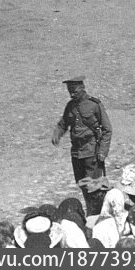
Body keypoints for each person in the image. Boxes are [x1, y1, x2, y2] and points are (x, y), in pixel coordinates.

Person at [51, 76, 112, 211]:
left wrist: (102, 151)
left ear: (82, 88)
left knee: (94, 187)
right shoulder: (70, 106)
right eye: (70, 92)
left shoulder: (94, 105)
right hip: (76, 153)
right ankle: (90, 210)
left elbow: (107, 129)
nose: (72, 94)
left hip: (92, 152)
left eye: (75, 91)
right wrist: (57, 134)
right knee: (82, 184)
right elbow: (63, 124)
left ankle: (97, 212)